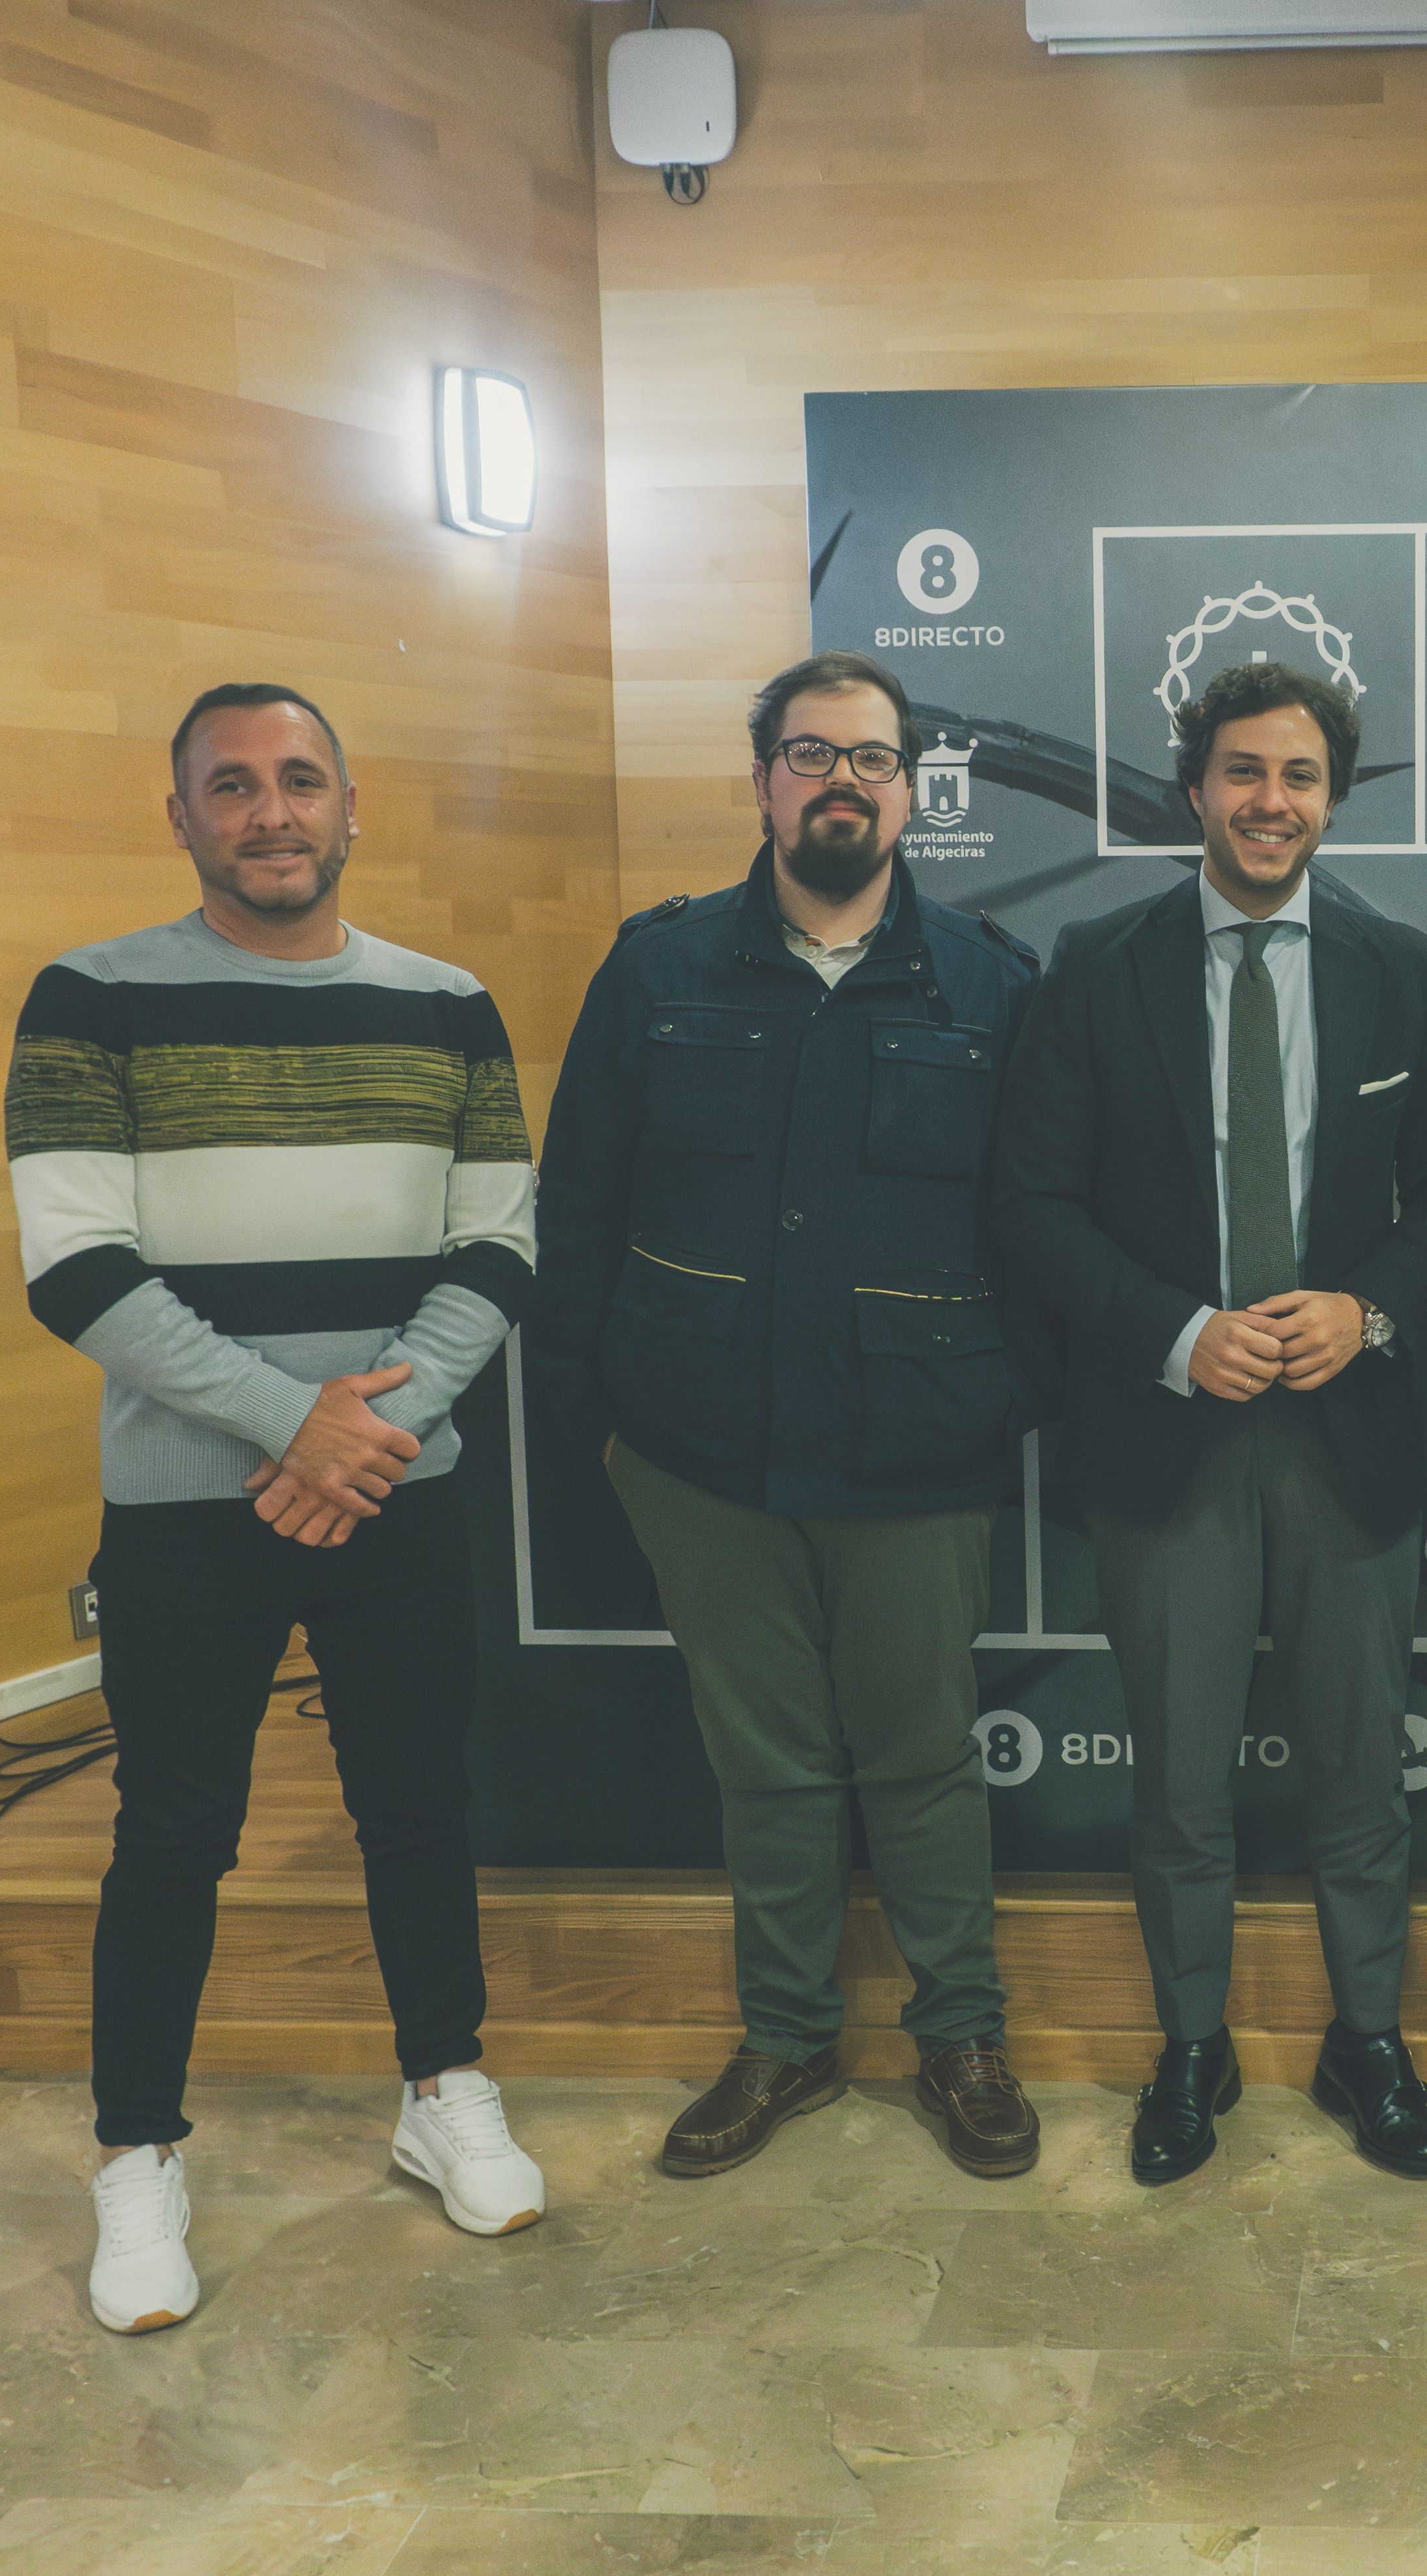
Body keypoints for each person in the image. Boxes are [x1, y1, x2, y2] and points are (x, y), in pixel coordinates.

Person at [8, 683, 549, 2335]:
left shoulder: (451, 1006)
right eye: (231, 785)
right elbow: (78, 1268)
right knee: (175, 1827)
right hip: (188, 1502)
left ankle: (441, 2086)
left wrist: (361, 1433)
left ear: (351, 803)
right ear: (179, 814)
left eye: (299, 779)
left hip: (394, 1484)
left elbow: (501, 1249)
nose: (271, 811)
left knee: (417, 1807)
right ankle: (137, 2153)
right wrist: (290, 1424)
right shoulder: (88, 999)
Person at [528, 652, 1045, 2185]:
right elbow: (583, 1204)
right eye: (812, 755)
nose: (843, 783)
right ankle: (789, 2033)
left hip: (919, 1453)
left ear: (912, 792)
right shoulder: (658, 971)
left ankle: (960, 2030)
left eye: (873, 760)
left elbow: (1041, 1226)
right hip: (702, 1453)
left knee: (925, 1755)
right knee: (765, 1761)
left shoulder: (992, 984)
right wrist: (601, 1419)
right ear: (762, 783)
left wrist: (1001, 1398)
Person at [986, 660, 1427, 2186]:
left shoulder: (1403, 969)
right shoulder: (1094, 964)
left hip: (1348, 1434)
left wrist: (1367, 1307)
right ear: (1193, 787)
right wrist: (1178, 1334)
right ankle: (1191, 2045)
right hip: (1168, 1433)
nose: (1274, 801)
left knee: (1359, 1778)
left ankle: (1365, 2039)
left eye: (1304, 776)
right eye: (1245, 772)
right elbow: (1033, 1205)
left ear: (1334, 797)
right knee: (1181, 1785)